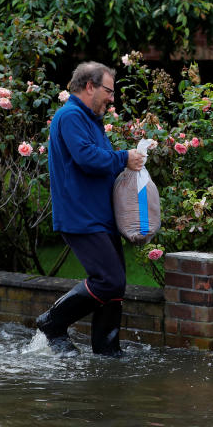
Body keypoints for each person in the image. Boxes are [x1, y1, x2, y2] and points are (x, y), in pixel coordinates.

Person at [35, 62, 147, 356]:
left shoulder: (89, 120)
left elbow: (101, 163)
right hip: (80, 216)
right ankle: (53, 322)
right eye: (108, 90)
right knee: (108, 280)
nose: (112, 98)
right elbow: (86, 158)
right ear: (89, 87)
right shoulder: (70, 116)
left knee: (115, 286)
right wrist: (123, 157)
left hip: (101, 216)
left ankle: (107, 350)